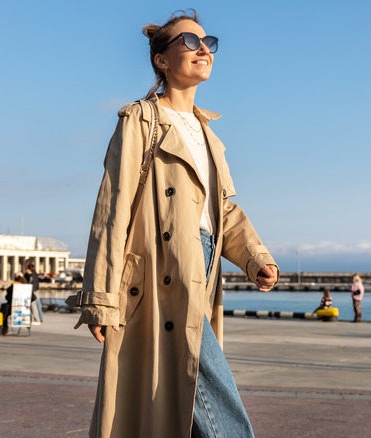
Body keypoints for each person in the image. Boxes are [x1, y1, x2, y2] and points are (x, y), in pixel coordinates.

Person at [69, 10, 279, 437]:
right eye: (188, 42)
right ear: (161, 60)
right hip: (160, 271)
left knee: (188, 405)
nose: (203, 49)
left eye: (208, 43)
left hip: (201, 263)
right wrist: (100, 298)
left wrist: (256, 257)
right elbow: (112, 209)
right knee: (212, 398)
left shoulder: (208, 133)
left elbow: (223, 211)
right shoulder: (140, 120)